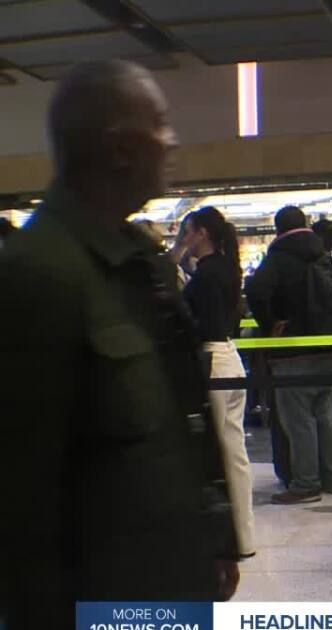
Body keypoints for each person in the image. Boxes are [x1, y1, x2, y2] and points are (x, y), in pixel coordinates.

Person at [0, 60, 238, 628]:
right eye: (158, 123)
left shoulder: (141, 259)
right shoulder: (37, 276)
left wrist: (218, 535)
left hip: (171, 583)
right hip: (103, 595)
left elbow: (186, 418)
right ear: (118, 148)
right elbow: (20, 496)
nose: (172, 140)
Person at [244, 205, 332, 504]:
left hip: (293, 350)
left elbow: (256, 290)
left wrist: (270, 323)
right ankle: (331, 477)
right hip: (328, 346)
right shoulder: (322, 254)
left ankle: (306, 483)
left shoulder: (280, 258)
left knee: (298, 418)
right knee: (325, 413)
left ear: (278, 229)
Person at [178, 206, 256, 558]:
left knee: (223, 453)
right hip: (231, 359)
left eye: (189, 233)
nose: (186, 241)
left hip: (212, 362)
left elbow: (198, 323)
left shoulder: (206, 275)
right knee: (234, 451)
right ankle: (244, 535)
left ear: (202, 234)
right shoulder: (227, 269)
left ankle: (236, 538)